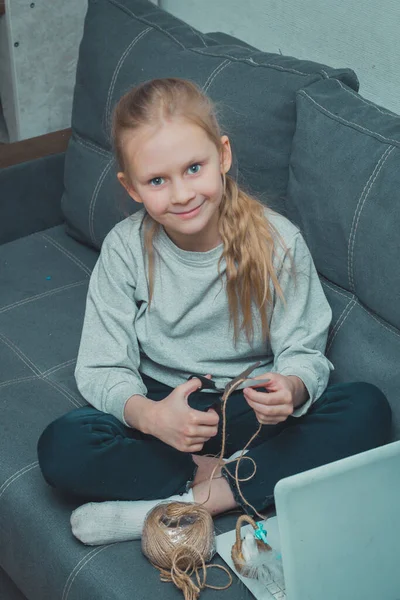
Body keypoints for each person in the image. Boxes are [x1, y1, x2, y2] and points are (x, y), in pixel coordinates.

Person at [37, 78, 391, 546]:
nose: (181, 194)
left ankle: (193, 505)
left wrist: (292, 385)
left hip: (252, 412)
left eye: (193, 168)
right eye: (158, 180)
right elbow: (102, 366)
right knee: (62, 446)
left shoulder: (278, 242)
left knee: (368, 408)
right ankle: (222, 481)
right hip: (168, 414)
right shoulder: (125, 250)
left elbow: (303, 349)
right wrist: (150, 416)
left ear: (222, 156)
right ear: (132, 187)